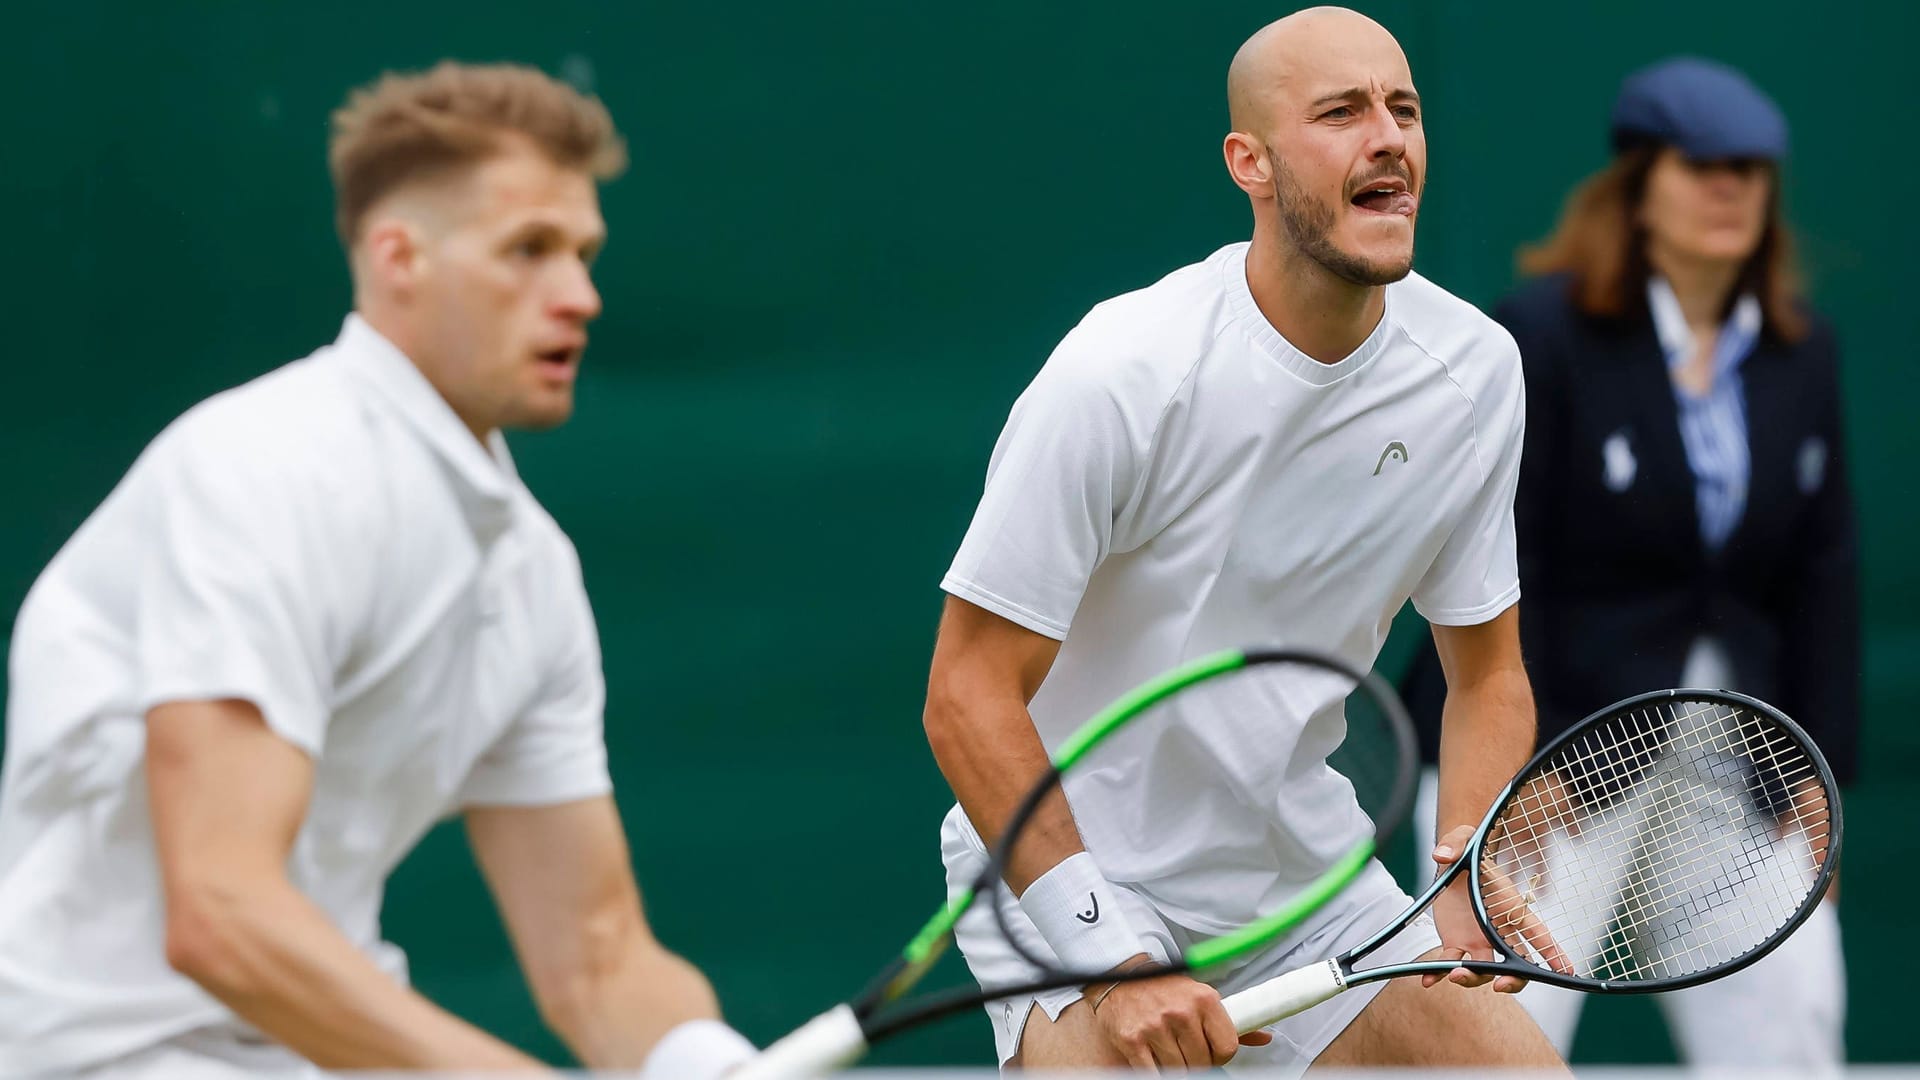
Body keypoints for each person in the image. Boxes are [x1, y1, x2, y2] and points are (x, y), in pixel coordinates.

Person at [0, 62, 752, 1079]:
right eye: (529, 250)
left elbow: (597, 961)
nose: (580, 296)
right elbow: (221, 915)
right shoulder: (263, 471)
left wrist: (707, 1064)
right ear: (400, 258)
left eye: (584, 253)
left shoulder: (530, 572)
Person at [919, 7, 1565, 1073]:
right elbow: (967, 693)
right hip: (1075, 876)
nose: (1389, 138)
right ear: (1249, 162)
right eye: (1342, 112)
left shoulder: (1476, 372)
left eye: (1404, 109)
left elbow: (1487, 672)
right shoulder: (1123, 373)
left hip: (1299, 879)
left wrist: (1463, 865)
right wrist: (1110, 954)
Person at [1400, 56, 1857, 1066]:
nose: (1729, 188)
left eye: (1750, 169)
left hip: (1737, 761)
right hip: (1553, 756)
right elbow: (1489, 553)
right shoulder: (1543, 334)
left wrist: (1821, 767)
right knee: (1490, 1041)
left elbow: (1822, 571)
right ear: (1639, 187)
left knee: (1792, 1034)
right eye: (1701, 166)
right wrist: (1516, 757)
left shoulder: (1802, 352)